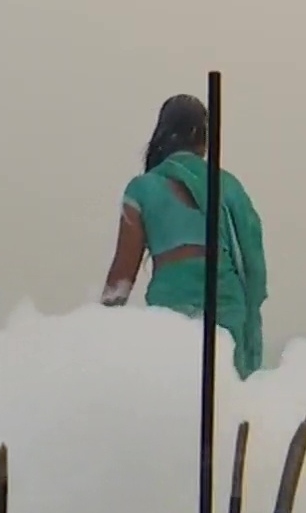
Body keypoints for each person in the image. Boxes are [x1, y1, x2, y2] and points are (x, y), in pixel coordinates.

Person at [101, 94, 269, 378]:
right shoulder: (227, 186)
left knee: (176, 401)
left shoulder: (143, 189)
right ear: (202, 141)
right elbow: (253, 261)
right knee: (222, 404)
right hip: (226, 307)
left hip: (171, 313)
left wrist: (98, 329)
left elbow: (122, 275)